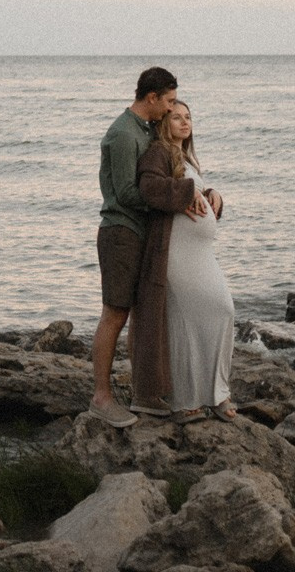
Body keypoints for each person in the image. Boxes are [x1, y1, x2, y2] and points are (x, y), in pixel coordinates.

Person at [88, 66, 199, 427]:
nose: (170, 110)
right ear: (150, 98)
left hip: (139, 233)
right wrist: (180, 196)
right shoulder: (122, 134)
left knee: (140, 313)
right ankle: (102, 399)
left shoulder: (145, 129)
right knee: (115, 313)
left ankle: (144, 394)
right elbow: (127, 193)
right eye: (167, 102)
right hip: (120, 233)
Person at [148, 101, 235, 416]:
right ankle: (186, 403)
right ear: (164, 123)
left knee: (222, 310)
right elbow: (151, 189)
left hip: (200, 251)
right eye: (176, 117)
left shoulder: (186, 157)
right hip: (177, 252)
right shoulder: (159, 151)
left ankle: (217, 393)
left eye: (188, 117)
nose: (185, 122)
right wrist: (187, 194)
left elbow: (190, 192)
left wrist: (213, 195)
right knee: (185, 323)